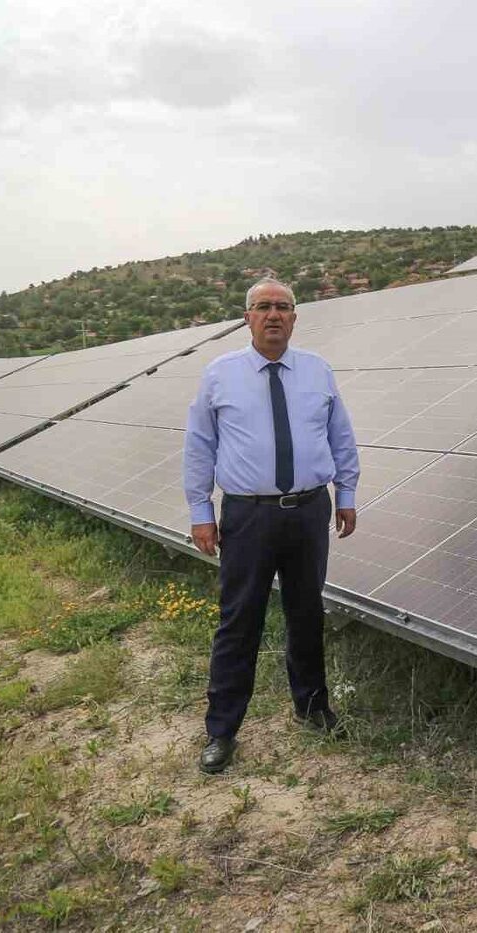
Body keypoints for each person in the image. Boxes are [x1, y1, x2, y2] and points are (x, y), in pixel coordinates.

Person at [183, 278, 361, 774]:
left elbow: (340, 437)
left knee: (306, 613)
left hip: (309, 511)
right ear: (248, 317)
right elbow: (200, 446)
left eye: (283, 306)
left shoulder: (317, 372)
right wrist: (201, 511)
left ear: (295, 317)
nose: (274, 315)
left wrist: (345, 494)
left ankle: (312, 706)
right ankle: (221, 730)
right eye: (263, 307)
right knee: (239, 620)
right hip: (248, 515)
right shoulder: (220, 375)